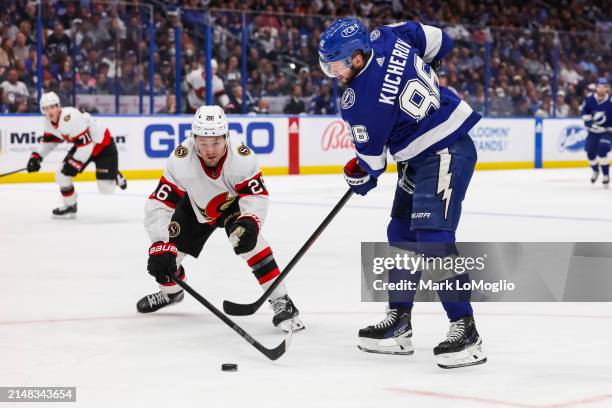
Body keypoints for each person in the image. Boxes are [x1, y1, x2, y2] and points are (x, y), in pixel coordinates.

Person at [319, 18, 486, 369]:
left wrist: (356, 175)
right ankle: (399, 323)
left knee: (433, 238)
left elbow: (371, 165)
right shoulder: (386, 34)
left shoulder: (358, 102)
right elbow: (441, 40)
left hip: (444, 150)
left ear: (358, 58)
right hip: (422, 152)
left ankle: (466, 329)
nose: (332, 72)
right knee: (400, 235)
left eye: (337, 64)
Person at [137, 105, 305, 333]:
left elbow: (255, 195)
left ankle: (282, 301)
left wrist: (251, 221)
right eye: (203, 142)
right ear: (193, 138)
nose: (209, 150)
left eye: (216, 142)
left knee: (251, 243)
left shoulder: (242, 158)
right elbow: (160, 202)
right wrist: (158, 243)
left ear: (227, 136)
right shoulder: (180, 160)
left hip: (231, 206)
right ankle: (172, 293)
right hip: (194, 206)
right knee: (166, 262)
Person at [25, 92, 127, 218]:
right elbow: (50, 142)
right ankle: (70, 206)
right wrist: (36, 157)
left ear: (58, 106)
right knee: (61, 175)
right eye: (46, 108)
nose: (50, 111)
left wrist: (74, 164)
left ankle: (115, 175)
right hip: (84, 146)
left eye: (52, 107)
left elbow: (87, 146)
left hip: (102, 146)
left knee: (106, 189)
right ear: (42, 110)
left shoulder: (70, 117)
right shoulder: (47, 122)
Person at [582, 77, 611, 188]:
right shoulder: (590, 99)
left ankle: (606, 176)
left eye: (604, 87)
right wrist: (589, 123)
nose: (601, 89)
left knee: (602, 150)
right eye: (599, 86)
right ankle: (595, 170)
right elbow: (585, 114)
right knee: (590, 154)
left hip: (608, 132)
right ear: (596, 87)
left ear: (607, 88)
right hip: (594, 132)